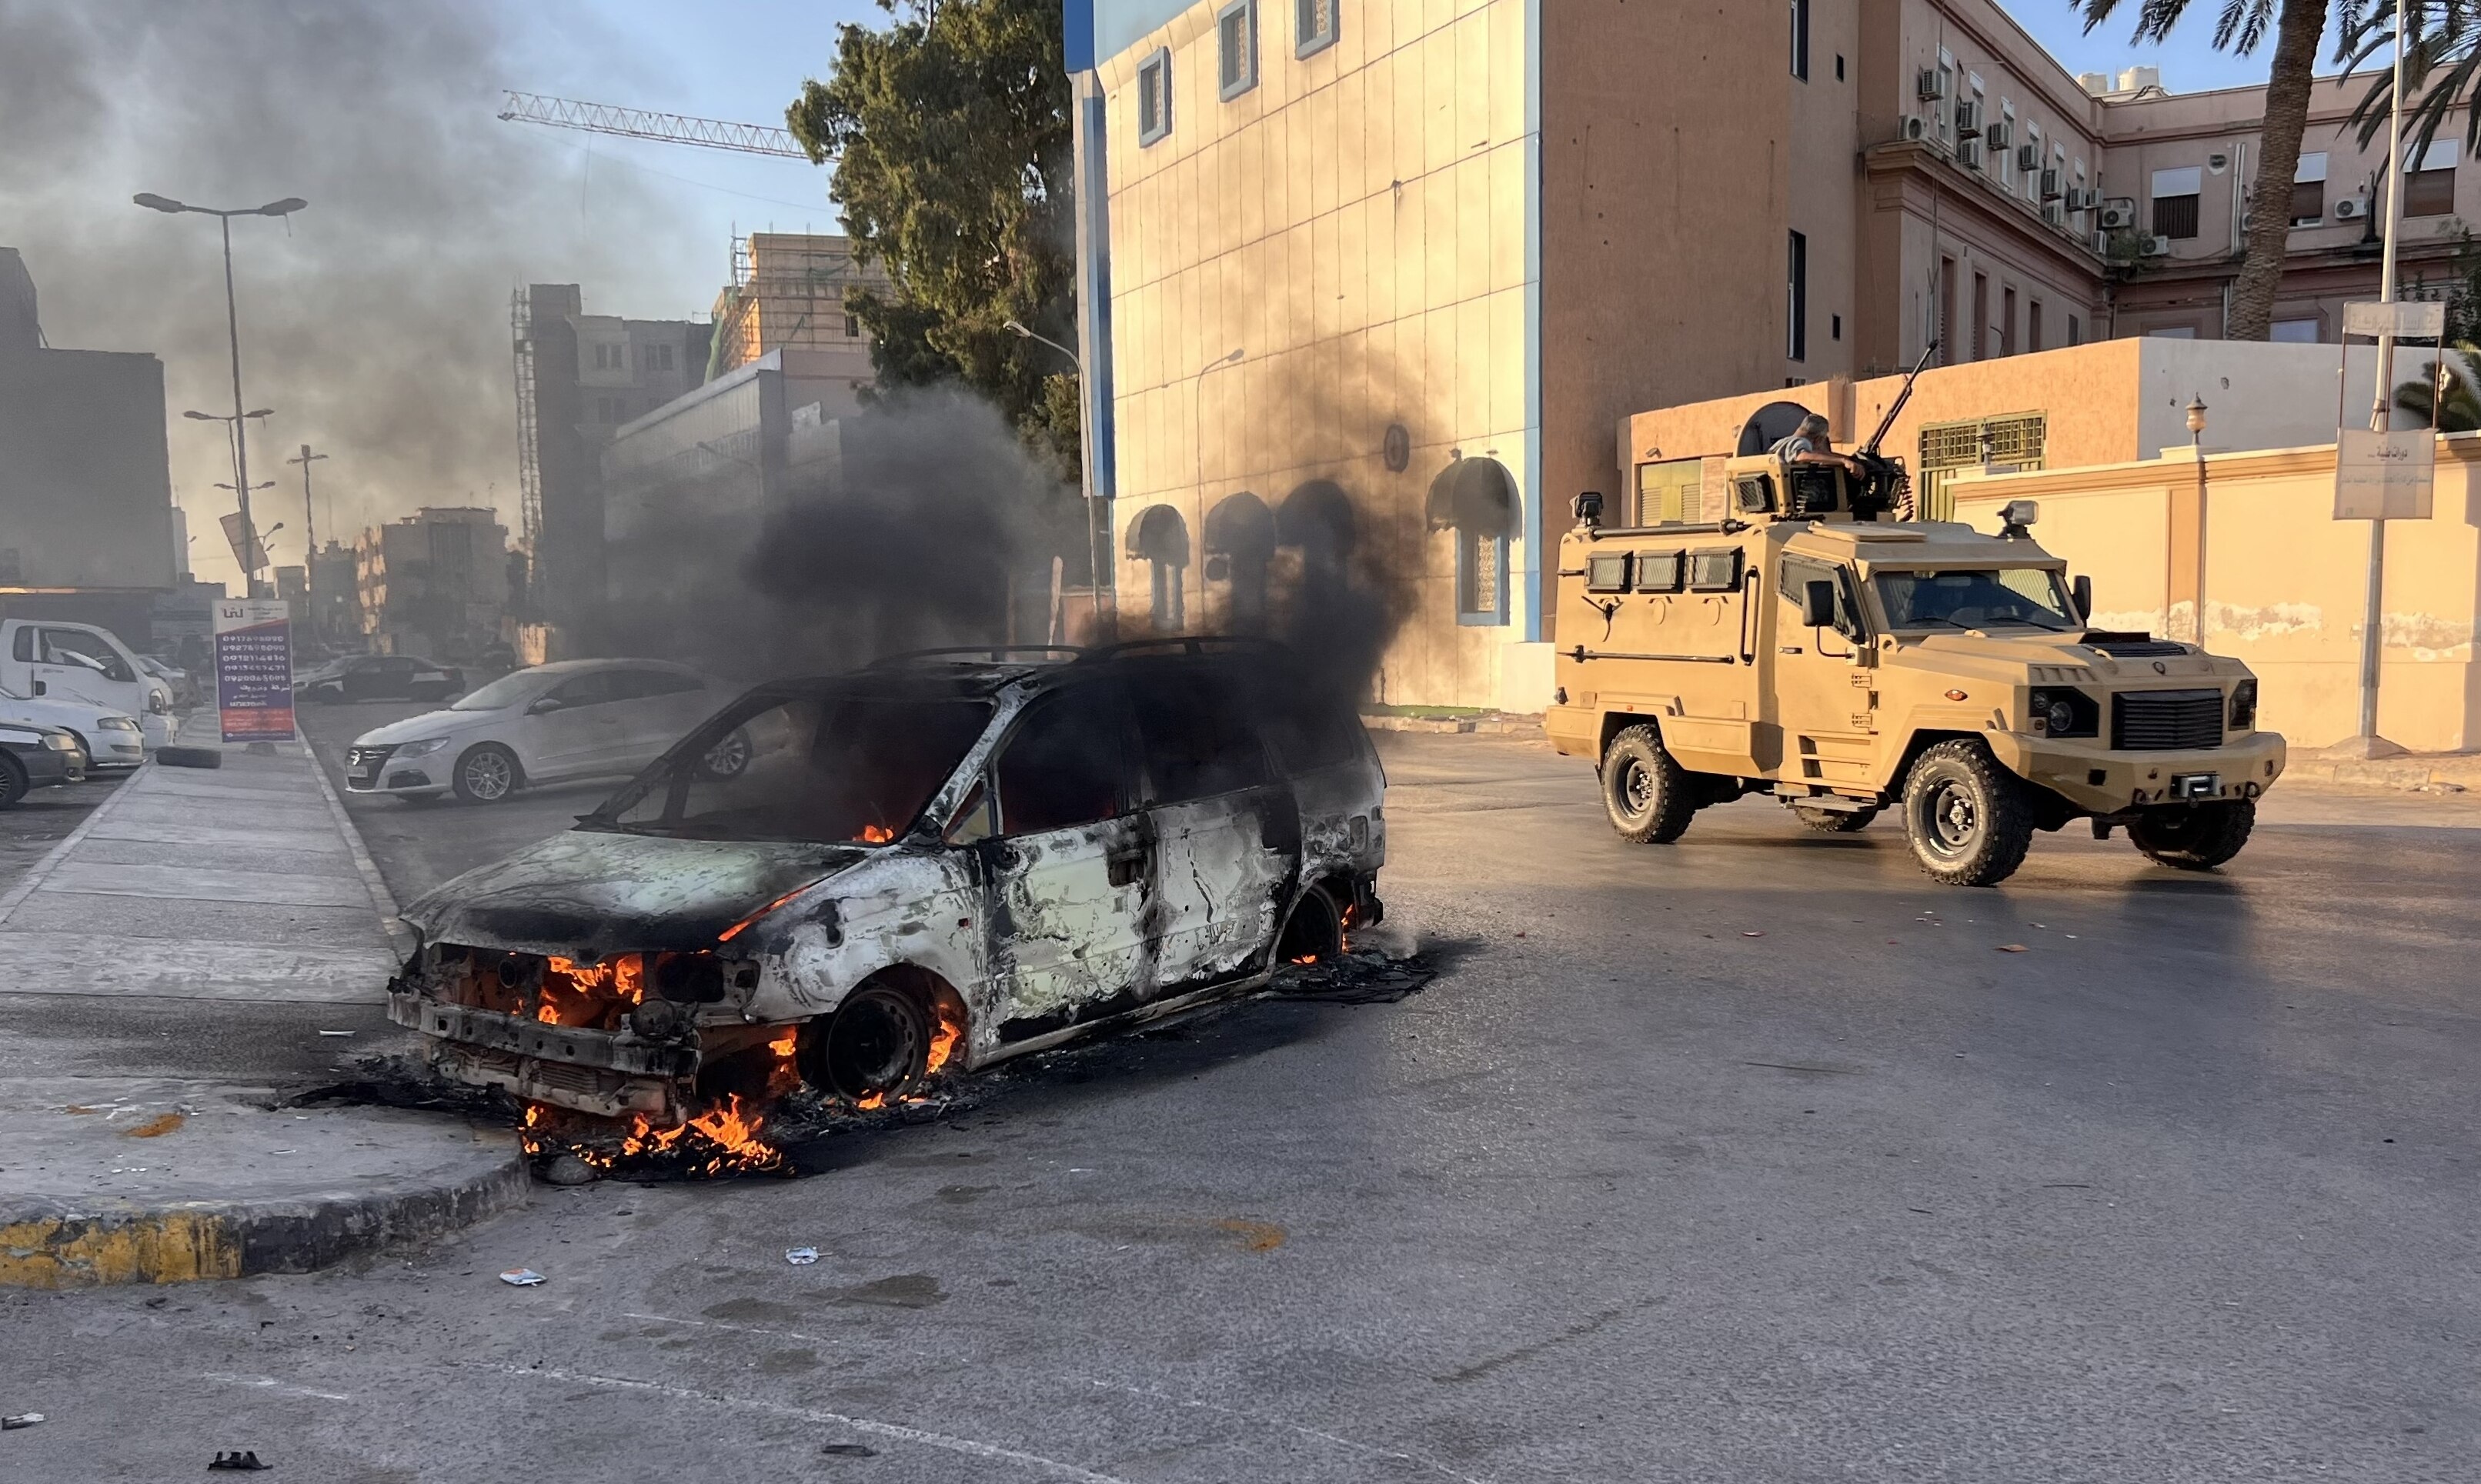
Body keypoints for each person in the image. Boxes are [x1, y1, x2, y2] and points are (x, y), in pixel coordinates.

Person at [1769, 413, 1865, 476]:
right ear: (1818, 439)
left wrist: (1847, 458)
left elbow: (1817, 453)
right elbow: (1801, 456)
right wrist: (1843, 461)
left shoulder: (1782, 443)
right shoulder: (1803, 442)